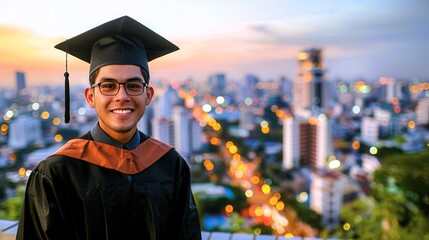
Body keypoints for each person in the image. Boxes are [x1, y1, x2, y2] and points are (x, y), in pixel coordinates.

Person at [16, 16, 202, 240]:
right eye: (108, 86)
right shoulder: (56, 173)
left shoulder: (171, 165)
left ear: (148, 95)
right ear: (90, 96)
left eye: (133, 86)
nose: (121, 96)